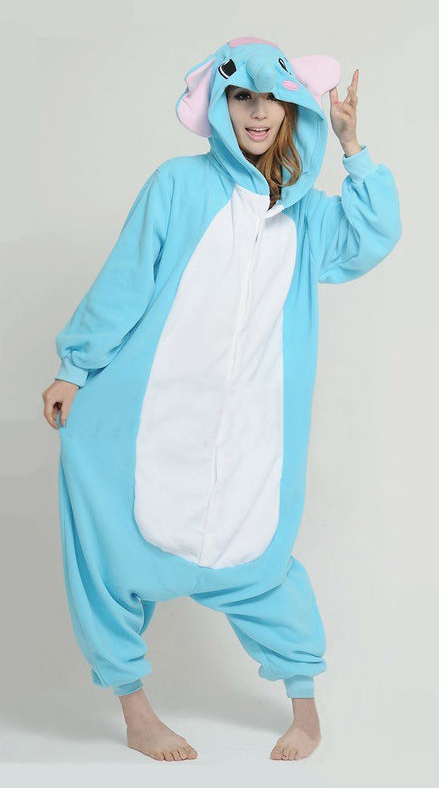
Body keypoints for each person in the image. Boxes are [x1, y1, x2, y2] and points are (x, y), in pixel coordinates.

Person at [42, 37, 402, 762]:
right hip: (156, 411)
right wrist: (75, 369)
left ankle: (304, 708)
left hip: (250, 429)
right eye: (241, 97)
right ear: (219, 105)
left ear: (293, 109)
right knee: (109, 550)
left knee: (260, 562)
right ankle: (135, 711)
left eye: (272, 99)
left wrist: (352, 145)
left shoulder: (306, 217)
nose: (257, 113)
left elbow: (372, 236)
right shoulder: (178, 185)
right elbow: (127, 279)